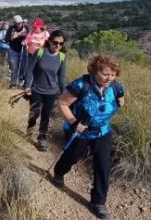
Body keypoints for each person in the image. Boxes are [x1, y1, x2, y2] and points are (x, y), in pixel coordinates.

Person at [53, 54, 125, 219]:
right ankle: (59, 172)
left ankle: (98, 202)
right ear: (94, 71)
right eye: (105, 74)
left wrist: (115, 105)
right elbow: (62, 103)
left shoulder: (116, 86)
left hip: (102, 131)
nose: (109, 78)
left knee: (103, 165)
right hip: (80, 130)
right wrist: (73, 121)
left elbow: (121, 99)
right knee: (71, 157)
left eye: (113, 75)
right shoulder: (80, 85)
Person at [23, 30, 67, 152]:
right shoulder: (40, 52)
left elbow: (61, 78)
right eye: (55, 42)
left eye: (61, 43)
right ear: (50, 41)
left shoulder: (62, 57)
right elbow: (30, 71)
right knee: (34, 113)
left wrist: (64, 93)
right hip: (36, 89)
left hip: (51, 91)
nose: (57, 45)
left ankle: (41, 138)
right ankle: (30, 128)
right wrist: (27, 86)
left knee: (46, 116)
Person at [6, 15, 28, 87]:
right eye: (17, 23)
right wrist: (12, 38)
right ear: (14, 23)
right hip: (12, 50)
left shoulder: (25, 28)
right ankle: (13, 82)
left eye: (20, 23)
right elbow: (6, 39)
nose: (19, 24)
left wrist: (21, 37)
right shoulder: (11, 29)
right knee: (14, 65)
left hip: (23, 50)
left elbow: (28, 37)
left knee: (22, 66)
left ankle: (21, 80)